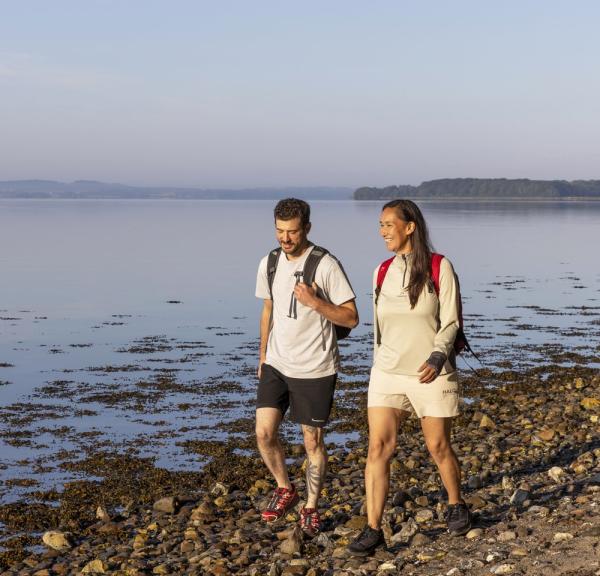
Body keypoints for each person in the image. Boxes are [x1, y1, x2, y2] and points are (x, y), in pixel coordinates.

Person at [348, 199, 472, 556]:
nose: (382, 231)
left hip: (430, 372)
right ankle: (373, 529)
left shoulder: (439, 266)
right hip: (387, 372)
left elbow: (450, 320)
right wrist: (377, 366)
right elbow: (379, 328)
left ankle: (455, 503)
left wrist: (438, 356)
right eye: (380, 225)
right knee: (378, 448)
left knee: (437, 446)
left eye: (389, 224)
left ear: (410, 226)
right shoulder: (381, 271)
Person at [255, 198, 359, 537]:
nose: (285, 239)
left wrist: (315, 302)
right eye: (280, 231)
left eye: (292, 232)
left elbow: (352, 317)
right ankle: (285, 488)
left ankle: (311, 507)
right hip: (277, 363)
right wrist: (262, 357)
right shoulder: (269, 262)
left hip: (315, 366)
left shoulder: (325, 264)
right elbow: (268, 311)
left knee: (312, 442)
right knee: (264, 433)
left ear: (307, 229)